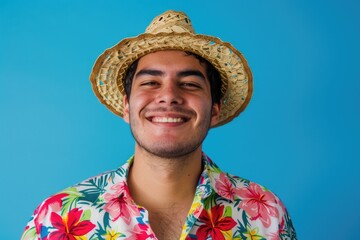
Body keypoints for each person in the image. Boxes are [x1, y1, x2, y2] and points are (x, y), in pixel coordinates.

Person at [21, 10, 296, 240]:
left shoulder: (266, 216)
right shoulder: (57, 219)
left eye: (189, 84)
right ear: (126, 107)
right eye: (151, 82)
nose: (168, 96)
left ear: (214, 110)